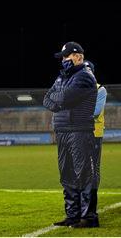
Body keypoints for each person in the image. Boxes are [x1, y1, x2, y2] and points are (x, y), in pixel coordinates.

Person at [43, 42, 99, 228]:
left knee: (83, 173)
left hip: (79, 130)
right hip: (63, 131)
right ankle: (73, 215)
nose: (63, 60)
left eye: (66, 57)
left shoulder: (84, 76)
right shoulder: (62, 78)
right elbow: (46, 99)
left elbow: (63, 98)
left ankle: (89, 217)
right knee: (66, 174)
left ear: (77, 56)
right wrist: (59, 99)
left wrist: (59, 99)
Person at [83, 60, 108, 218]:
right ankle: (81, 208)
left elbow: (95, 112)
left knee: (92, 172)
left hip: (94, 135)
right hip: (77, 135)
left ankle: (91, 209)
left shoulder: (100, 89)